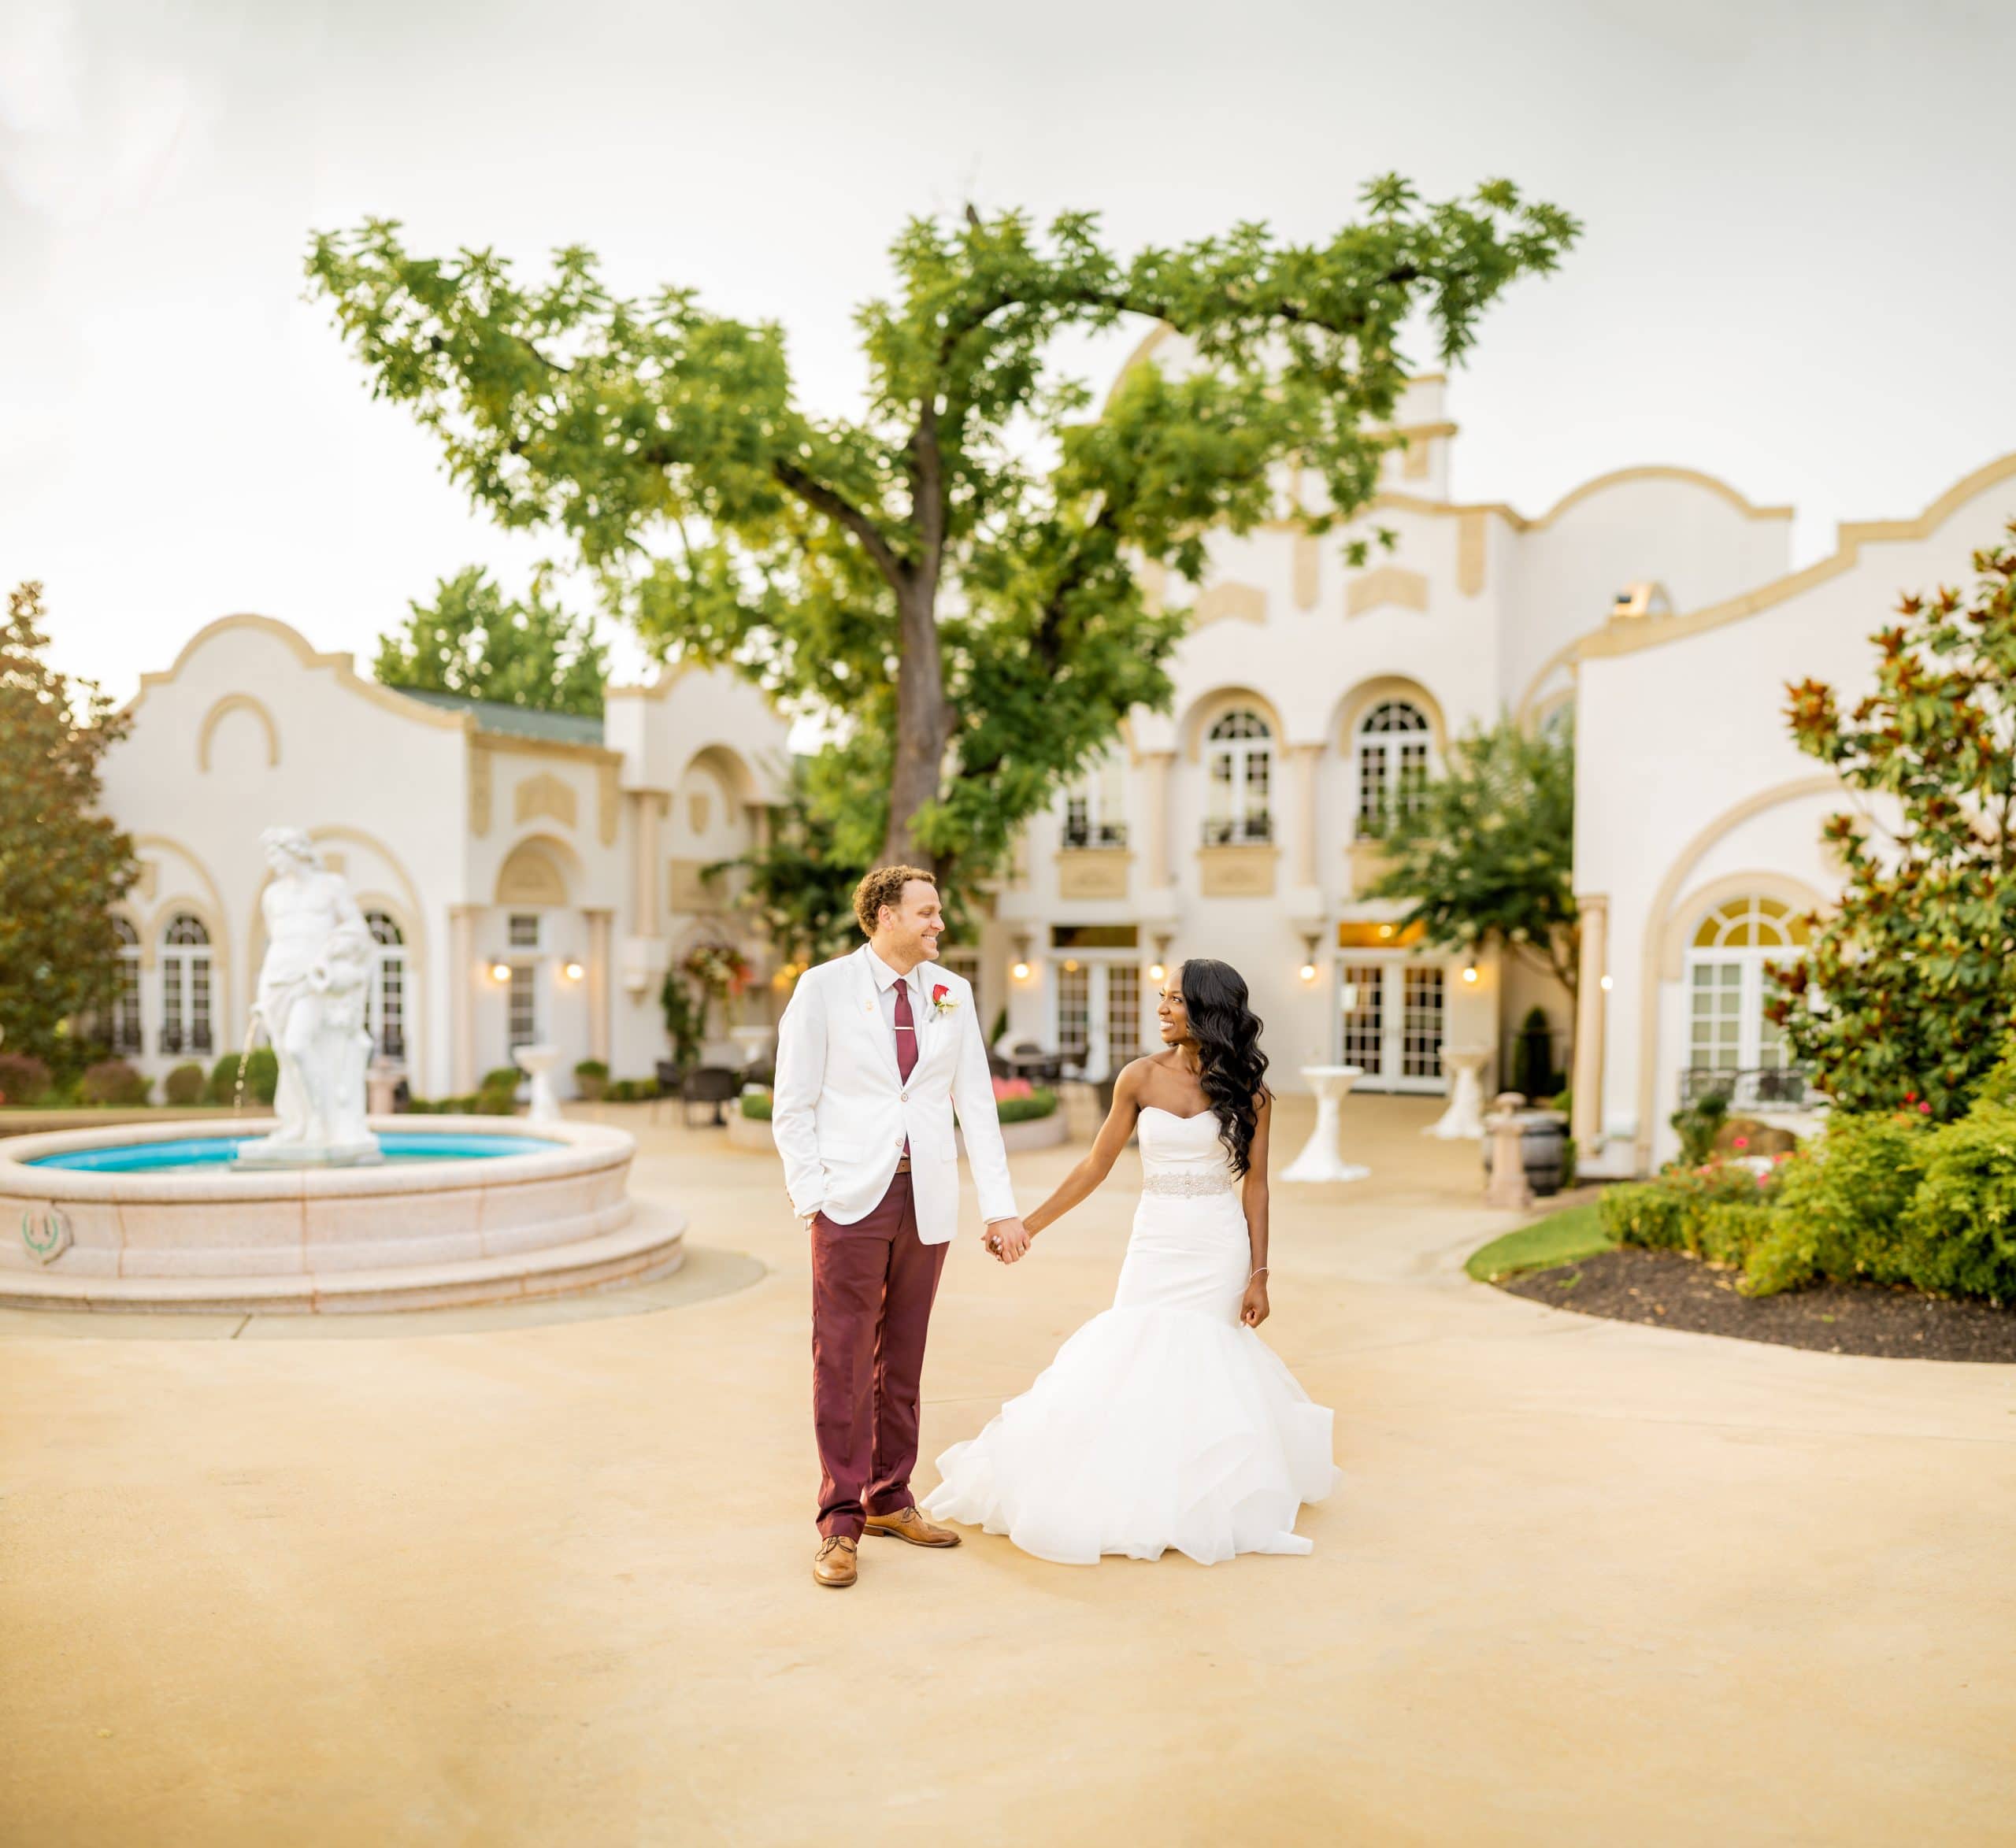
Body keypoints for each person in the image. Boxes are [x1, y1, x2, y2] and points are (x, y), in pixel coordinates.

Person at [923, 958, 1338, 1565]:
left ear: (1207, 1009)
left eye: (1174, 999)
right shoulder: (1138, 1078)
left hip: (1217, 1244)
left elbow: (1257, 1187)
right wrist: (1027, 1225)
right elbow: (1094, 1165)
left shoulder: (1251, 1089)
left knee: (1204, 1357)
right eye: (1162, 997)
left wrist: (1259, 1273)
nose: (1162, 1008)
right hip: (1156, 1239)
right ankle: (1133, 1484)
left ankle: (1201, 1494)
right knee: (1136, 1344)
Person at [771, 865, 1030, 1589]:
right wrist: (812, 1198)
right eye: (927, 912)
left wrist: (1000, 1206)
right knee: (844, 1359)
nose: (938, 924)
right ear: (884, 915)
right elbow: (791, 1104)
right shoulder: (822, 988)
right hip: (849, 1201)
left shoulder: (953, 993)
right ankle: (839, 1521)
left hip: (929, 1199)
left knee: (904, 1356)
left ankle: (890, 1495)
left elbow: (975, 1102)